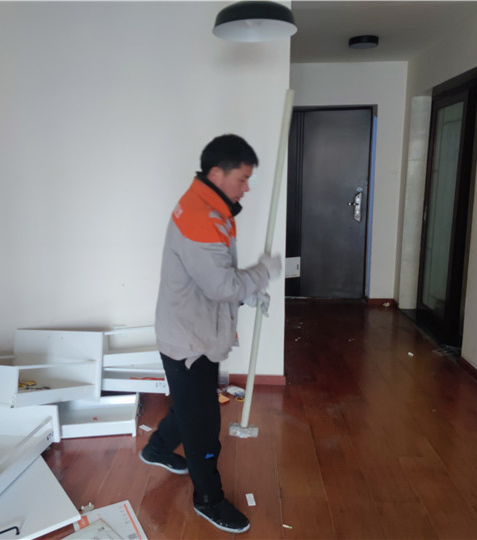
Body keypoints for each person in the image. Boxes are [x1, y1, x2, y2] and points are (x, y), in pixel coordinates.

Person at [139, 134, 281, 534]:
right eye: (243, 178)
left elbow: (212, 276)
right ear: (217, 173)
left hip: (193, 329)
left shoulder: (209, 205)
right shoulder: (201, 216)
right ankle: (208, 499)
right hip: (189, 340)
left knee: (192, 406)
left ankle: (157, 448)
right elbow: (220, 286)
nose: (247, 187)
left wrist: (244, 292)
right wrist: (261, 274)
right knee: (203, 424)